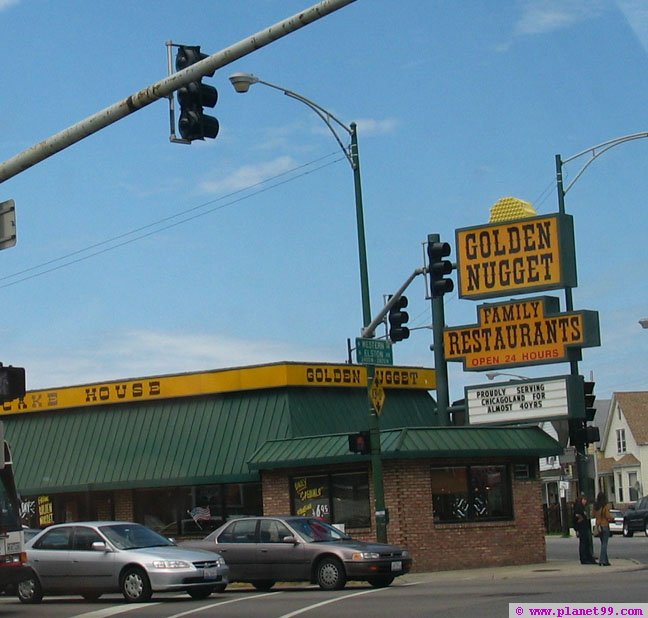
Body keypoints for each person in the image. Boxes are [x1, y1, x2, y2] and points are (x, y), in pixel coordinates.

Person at [593, 491, 615, 566]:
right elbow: (608, 516)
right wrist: (612, 518)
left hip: (598, 526)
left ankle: (606, 561)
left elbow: (593, 514)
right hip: (605, 525)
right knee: (604, 544)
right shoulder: (604, 506)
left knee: (602, 543)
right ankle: (602, 560)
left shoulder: (595, 506)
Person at [573, 494, 596, 564]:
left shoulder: (583, 507)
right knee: (583, 544)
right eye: (584, 500)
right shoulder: (578, 507)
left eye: (586, 500)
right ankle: (584, 558)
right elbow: (577, 517)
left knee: (586, 543)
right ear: (581, 500)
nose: (585, 501)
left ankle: (589, 557)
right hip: (582, 528)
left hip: (585, 527)